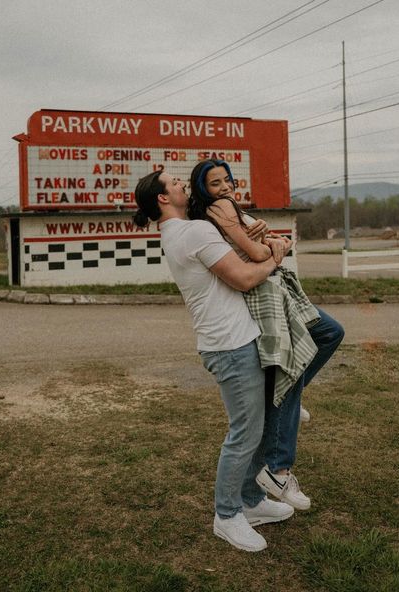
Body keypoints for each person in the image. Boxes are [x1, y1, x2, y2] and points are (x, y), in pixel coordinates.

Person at [133, 170, 295, 553]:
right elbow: (242, 278)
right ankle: (226, 515)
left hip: (232, 339)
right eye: (174, 182)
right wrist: (275, 256)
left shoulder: (180, 233)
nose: (182, 185)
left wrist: (244, 240)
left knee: (255, 428)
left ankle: (251, 503)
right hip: (228, 345)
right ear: (162, 198)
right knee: (244, 434)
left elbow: (230, 267)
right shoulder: (194, 232)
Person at [188, 158, 344, 511]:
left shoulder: (227, 209)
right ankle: (277, 470)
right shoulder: (221, 209)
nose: (225, 187)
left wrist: (268, 238)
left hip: (274, 289)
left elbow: (257, 242)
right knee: (313, 346)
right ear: (204, 190)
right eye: (215, 183)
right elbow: (257, 252)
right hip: (264, 295)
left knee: (328, 334)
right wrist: (275, 247)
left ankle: (294, 395)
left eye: (227, 180)